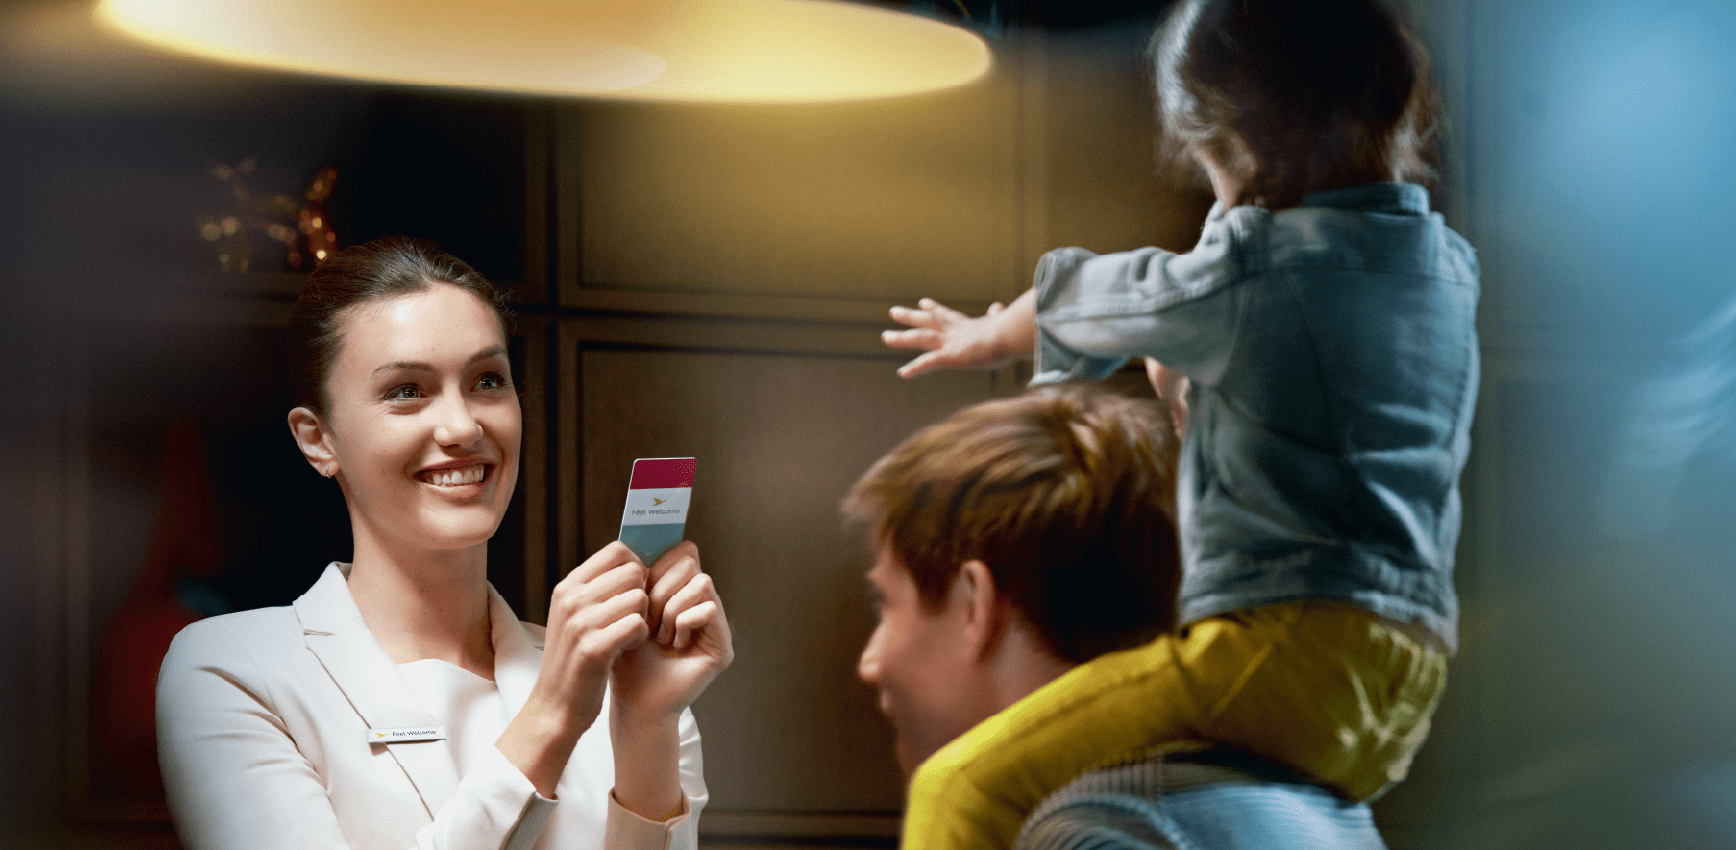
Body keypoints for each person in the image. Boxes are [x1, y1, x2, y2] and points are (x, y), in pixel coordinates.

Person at [878, 1, 1477, 848]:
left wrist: (990, 333)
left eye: (1211, 168)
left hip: (1276, 656)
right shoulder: (1446, 273)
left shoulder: (1253, 272)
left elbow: (1117, 294)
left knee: (961, 785)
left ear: (1237, 138)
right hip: (1403, 681)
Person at [156, 236, 734, 850]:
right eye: (407, 391)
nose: (463, 427)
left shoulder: (628, 688)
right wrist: (552, 715)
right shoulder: (230, 672)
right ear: (317, 439)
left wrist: (646, 725)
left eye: (488, 380)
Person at [848, 389, 1389, 850]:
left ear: (975, 606)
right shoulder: (1322, 815)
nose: (870, 662)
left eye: (887, 604)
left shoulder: (1085, 832)